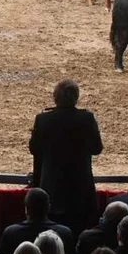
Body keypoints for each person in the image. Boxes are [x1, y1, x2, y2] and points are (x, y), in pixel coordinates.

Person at [29, 79, 103, 235]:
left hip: (52, 188)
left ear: (55, 97)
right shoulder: (86, 118)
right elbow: (97, 148)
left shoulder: (43, 119)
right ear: (76, 98)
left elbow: (34, 149)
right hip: (80, 188)